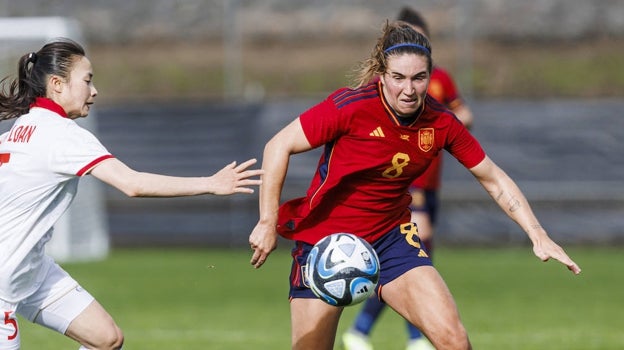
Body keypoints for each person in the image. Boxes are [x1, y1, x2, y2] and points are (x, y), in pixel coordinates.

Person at [248, 20, 581, 350]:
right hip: (325, 242)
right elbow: (278, 145)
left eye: (419, 78)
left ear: (430, 76)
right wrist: (267, 220)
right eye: (399, 78)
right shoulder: (350, 107)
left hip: (390, 238)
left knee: (455, 340)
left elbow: (493, 178)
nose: (409, 89)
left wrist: (537, 233)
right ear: (382, 74)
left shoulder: (441, 122)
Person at [0, 38, 263, 350]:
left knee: (105, 338)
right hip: (5, 279)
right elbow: (132, 184)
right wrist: (210, 183)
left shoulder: (17, 131)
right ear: (57, 84)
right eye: (87, 80)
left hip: (27, 270)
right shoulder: (63, 135)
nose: (94, 91)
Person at [343, 7, 474, 350]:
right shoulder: (381, 90)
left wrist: (451, 123)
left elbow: (463, 114)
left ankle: (367, 330)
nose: (410, 87)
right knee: (412, 254)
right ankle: (402, 335)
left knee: (416, 258)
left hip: (432, 182)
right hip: (404, 182)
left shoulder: (439, 79)